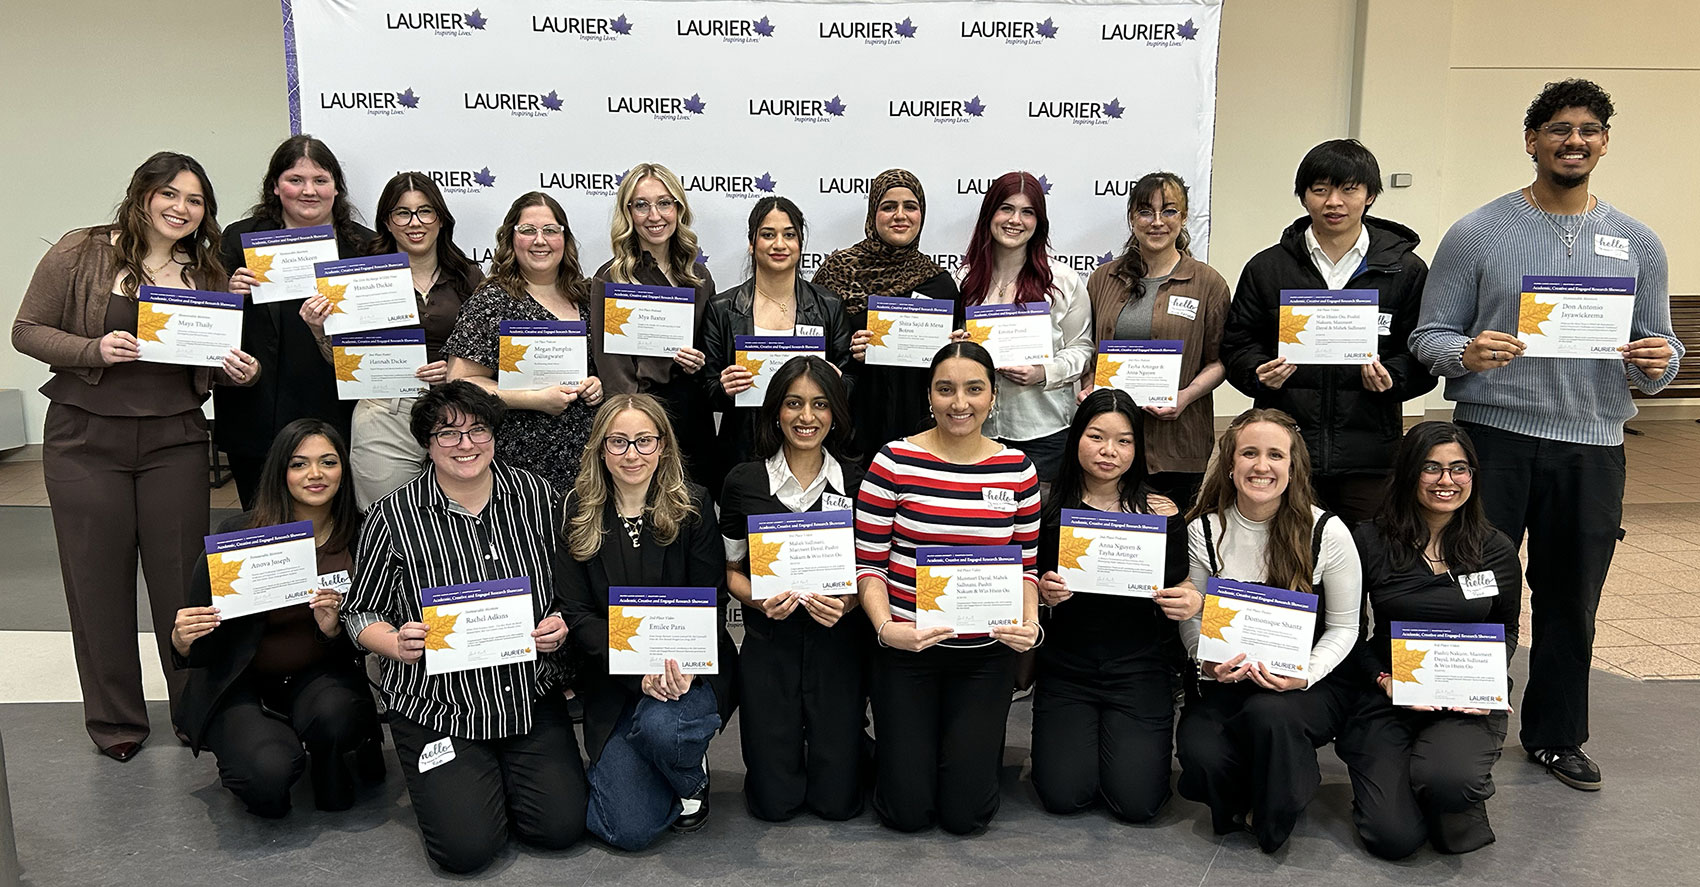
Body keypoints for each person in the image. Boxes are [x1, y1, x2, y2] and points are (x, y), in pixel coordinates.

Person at [1410, 79, 1681, 791]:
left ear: (1604, 143)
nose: (1574, 140)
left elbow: (1662, 351)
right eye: (1559, 128)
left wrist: (1661, 362)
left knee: (1571, 598)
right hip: (1492, 439)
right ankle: (1463, 720)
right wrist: (1465, 353)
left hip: (1593, 444)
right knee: (1476, 587)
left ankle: (1556, 735)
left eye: (1589, 129)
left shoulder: (1639, 243)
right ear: (1532, 140)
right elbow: (1429, 334)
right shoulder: (1478, 232)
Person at [12, 151, 259, 761]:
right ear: (142, 194)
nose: (181, 208)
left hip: (174, 440)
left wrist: (239, 372)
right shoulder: (82, 250)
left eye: (195, 200)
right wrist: (94, 347)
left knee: (183, 584)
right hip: (85, 438)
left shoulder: (206, 272)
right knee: (97, 581)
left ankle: (190, 707)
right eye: (170, 194)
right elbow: (27, 329)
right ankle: (115, 720)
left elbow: (207, 362)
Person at [343, 382, 586, 873]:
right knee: (467, 850)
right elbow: (359, 613)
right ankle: (469, 775)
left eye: (478, 430)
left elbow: (571, 591)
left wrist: (559, 621)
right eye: (448, 433)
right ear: (427, 444)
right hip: (437, 704)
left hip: (527, 693)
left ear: (495, 435)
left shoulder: (538, 496)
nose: (466, 444)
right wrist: (394, 642)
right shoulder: (392, 515)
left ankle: (503, 772)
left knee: (561, 829)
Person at [854, 342, 1042, 834]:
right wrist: (885, 628)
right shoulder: (893, 462)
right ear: (930, 396)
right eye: (946, 389)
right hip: (907, 650)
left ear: (993, 396)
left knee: (967, 816)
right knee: (906, 812)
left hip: (984, 655)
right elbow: (868, 565)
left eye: (974, 389)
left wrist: (1031, 625)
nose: (960, 403)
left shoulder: (1018, 471)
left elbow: (1026, 567)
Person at [171, 419, 382, 817]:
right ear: (280, 471)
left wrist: (332, 630)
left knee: (337, 717)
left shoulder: (363, 533)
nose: (315, 474)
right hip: (242, 682)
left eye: (328, 462)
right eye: (299, 464)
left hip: (322, 675)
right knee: (266, 776)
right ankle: (263, 752)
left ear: (344, 469)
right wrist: (182, 640)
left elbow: (376, 625)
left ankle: (330, 762)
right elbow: (202, 644)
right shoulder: (239, 535)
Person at [557, 394, 739, 849]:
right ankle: (668, 766)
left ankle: (685, 772)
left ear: (663, 446)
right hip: (615, 680)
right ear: (600, 448)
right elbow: (578, 615)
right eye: (618, 442)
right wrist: (640, 674)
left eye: (643, 441)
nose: (632, 454)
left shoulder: (694, 506)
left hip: (691, 670)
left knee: (663, 728)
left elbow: (711, 598)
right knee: (626, 829)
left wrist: (686, 666)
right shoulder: (577, 511)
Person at [1220, 139, 1435, 524]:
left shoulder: (1405, 270)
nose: (1333, 201)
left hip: (1369, 453)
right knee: (1286, 560)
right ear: (1304, 197)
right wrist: (1257, 372)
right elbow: (1237, 342)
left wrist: (1394, 377)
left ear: (1370, 195)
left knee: (1363, 561)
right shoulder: (1267, 268)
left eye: (1348, 189)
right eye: (1320, 189)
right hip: (1285, 451)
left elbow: (1424, 349)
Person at [1175, 408, 1361, 853]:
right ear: (1230, 462)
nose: (1262, 466)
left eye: (1275, 455)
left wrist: (1306, 674)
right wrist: (1206, 659)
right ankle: (1245, 791)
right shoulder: (1203, 528)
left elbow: (1345, 627)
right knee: (1200, 754)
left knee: (1269, 715)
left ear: (1293, 466)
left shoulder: (1327, 532)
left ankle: (1280, 802)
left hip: (1304, 686)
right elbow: (1191, 615)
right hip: (1226, 678)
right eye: (1250, 453)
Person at [1334, 421, 1521, 858]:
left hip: (1463, 696)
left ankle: (1447, 791)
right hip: (1388, 688)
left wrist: (1484, 683)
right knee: (1392, 838)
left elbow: (1506, 628)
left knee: (1450, 783)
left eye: (1459, 469)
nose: (1447, 481)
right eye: (1431, 468)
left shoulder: (1495, 548)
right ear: (1408, 474)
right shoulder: (1369, 540)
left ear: (1473, 475)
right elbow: (1346, 632)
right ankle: (1412, 791)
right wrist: (1383, 680)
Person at [1031, 389, 1197, 822]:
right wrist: (1042, 590)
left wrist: (1188, 599)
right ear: (1075, 439)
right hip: (1067, 668)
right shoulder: (1049, 510)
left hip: (1139, 669)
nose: (1109, 451)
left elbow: (1184, 584)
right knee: (1063, 796)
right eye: (1096, 436)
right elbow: (1026, 580)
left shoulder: (1161, 511)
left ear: (1137, 448)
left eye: (1124, 440)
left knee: (1137, 804)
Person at [718, 357, 867, 821]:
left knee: (838, 804)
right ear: (775, 411)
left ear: (836, 412)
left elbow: (872, 570)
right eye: (794, 403)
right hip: (770, 642)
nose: (807, 417)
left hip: (837, 643)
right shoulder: (744, 482)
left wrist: (848, 602)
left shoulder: (860, 482)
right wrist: (757, 599)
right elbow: (731, 568)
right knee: (773, 805)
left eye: (820, 404)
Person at [218, 135, 374, 507]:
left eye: (320, 180)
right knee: (263, 525)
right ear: (275, 185)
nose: (309, 191)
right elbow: (212, 322)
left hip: (338, 405)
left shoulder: (366, 246)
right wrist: (227, 291)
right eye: (295, 180)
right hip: (258, 406)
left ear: (336, 188)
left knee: (338, 524)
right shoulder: (240, 238)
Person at [331, 172, 483, 509]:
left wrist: (457, 370)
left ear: (441, 219)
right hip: (387, 412)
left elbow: (491, 352)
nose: (415, 222)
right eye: (403, 212)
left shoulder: (468, 276)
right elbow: (343, 361)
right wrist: (317, 328)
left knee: (458, 525)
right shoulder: (361, 276)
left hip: (457, 414)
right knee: (388, 523)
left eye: (425, 211)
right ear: (386, 221)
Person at [1087, 172, 1230, 512]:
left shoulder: (1208, 284)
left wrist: (1185, 396)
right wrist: (1086, 386)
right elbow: (1087, 349)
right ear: (1132, 218)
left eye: (1168, 211)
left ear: (1183, 218)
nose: (1156, 222)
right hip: (1111, 445)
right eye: (1145, 212)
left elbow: (1220, 361)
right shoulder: (1103, 279)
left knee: (1169, 546)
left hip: (1177, 442)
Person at [443, 192, 604, 494]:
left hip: (589, 462)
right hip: (519, 464)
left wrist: (595, 385)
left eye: (551, 231)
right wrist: (535, 399)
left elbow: (603, 369)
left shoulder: (588, 298)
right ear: (511, 238)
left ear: (564, 239)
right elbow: (459, 382)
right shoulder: (492, 301)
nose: (540, 240)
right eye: (528, 230)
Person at [701, 197, 853, 496]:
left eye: (789, 234)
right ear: (751, 242)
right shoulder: (722, 308)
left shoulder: (829, 306)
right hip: (743, 454)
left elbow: (851, 383)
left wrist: (836, 384)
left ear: (800, 242)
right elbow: (705, 392)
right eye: (768, 234)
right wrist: (723, 387)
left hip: (813, 457)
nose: (779, 244)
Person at [814, 169, 961, 467]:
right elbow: (812, 349)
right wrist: (848, 351)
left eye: (910, 206)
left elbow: (949, 370)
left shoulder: (940, 283)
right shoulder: (838, 271)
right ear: (873, 213)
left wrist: (953, 349)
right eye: (888, 206)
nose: (900, 215)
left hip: (919, 428)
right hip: (849, 427)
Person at [953, 171, 1093, 484]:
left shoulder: (1062, 281)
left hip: (1044, 434)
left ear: (1038, 222)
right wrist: (959, 347)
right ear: (990, 214)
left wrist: (1044, 372)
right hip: (977, 430)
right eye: (1006, 208)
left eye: (1027, 212)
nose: (1015, 220)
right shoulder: (964, 280)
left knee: (1038, 531)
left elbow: (1082, 349)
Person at [589, 163, 718, 484]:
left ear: (679, 208)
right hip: (639, 415)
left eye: (664, 203)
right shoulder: (612, 278)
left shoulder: (698, 277)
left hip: (692, 412)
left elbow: (709, 354)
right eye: (642, 205)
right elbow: (612, 368)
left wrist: (699, 362)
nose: (655, 215)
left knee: (694, 510)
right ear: (628, 213)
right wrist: (636, 427)